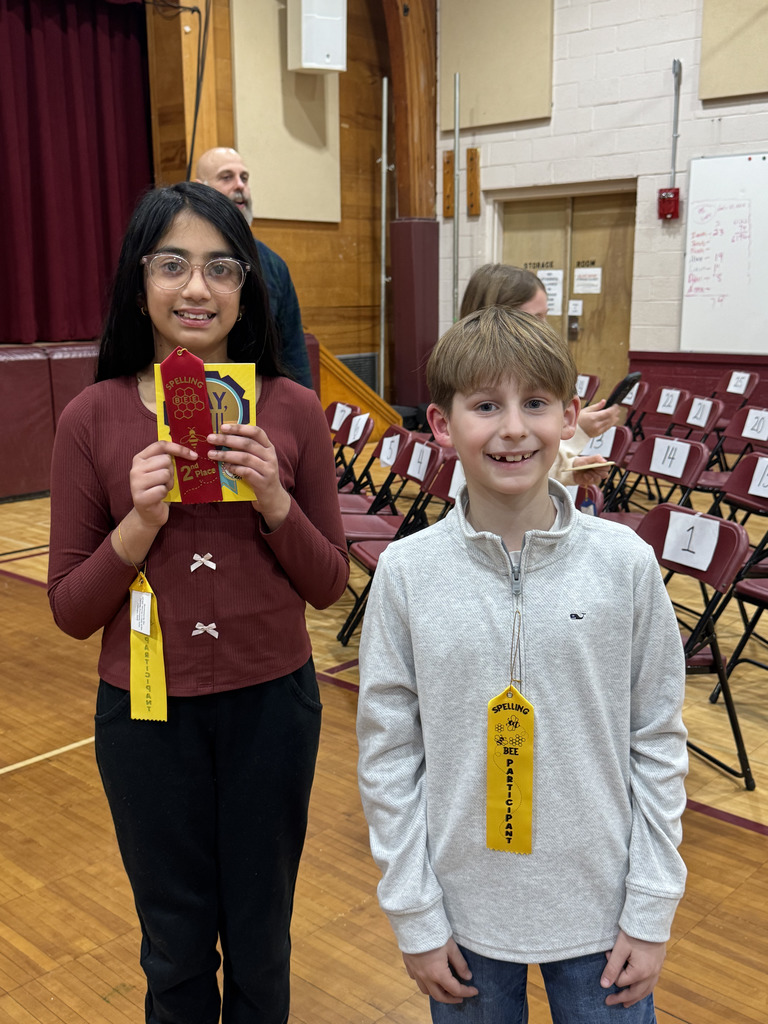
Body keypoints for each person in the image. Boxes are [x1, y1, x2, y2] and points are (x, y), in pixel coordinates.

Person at [48, 181, 349, 1024]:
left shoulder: (289, 409)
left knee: (262, 939)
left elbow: (330, 585)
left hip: (272, 708)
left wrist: (276, 501)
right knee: (174, 945)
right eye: (173, 264)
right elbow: (71, 609)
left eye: (222, 268)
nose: (196, 289)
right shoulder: (92, 418)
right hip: (146, 717)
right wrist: (138, 524)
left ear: (246, 288)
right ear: (139, 281)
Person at [357, 306, 688, 1023]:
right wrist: (414, 913)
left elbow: (657, 739)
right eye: (485, 406)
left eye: (535, 403)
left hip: (604, 916)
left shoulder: (625, 564)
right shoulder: (407, 574)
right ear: (442, 426)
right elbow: (389, 756)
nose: (512, 428)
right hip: (462, 917)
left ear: (570, 416)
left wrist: (652, 904)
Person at [461, 263, 622, 486]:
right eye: (535, 318)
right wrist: (579, 431)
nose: (545, 328)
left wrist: (568, 470)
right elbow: (501, 466)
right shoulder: (466, 374)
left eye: (535, 404)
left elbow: (520, 461)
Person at [196, 146, 313, 388]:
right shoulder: (175, 262)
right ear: (200, 187)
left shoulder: (274, 266)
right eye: (226, 177)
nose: (239, 186)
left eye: (244, 178)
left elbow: (294, 356)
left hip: (258, 404)